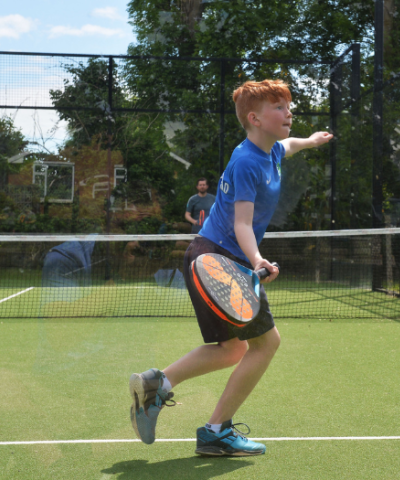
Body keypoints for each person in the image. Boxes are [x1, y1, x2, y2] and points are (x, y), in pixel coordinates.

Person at [129, 79, 333, 456]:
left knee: (231, 349)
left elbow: (289, 145)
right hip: (219, 259)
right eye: (279, 107)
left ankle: (157, 385)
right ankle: (216, 431)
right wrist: (257, 260)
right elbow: (242, 223)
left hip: (213, 255)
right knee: (266, 343)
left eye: (288, 106)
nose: (289, 113)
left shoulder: (269, 150)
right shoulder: (246, 162)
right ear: (254, 118)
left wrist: (311, 141)